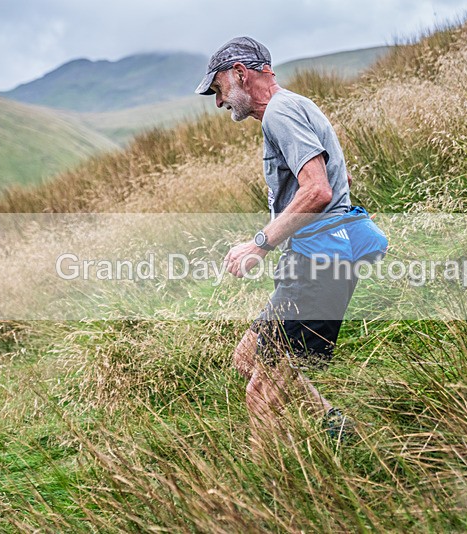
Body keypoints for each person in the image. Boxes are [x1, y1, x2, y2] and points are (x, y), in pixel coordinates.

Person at [195, 36, 377, 448]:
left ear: (241, 74)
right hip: (316, 261)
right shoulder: (295, 105)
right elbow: (339, 179)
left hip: (318, 269)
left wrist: (260, 244)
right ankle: (333, 424)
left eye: (219, 89)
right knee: (247, 356)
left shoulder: (280, 113)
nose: (219, 102)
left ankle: (277, 499)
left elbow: (318, 191)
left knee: (261, 396)